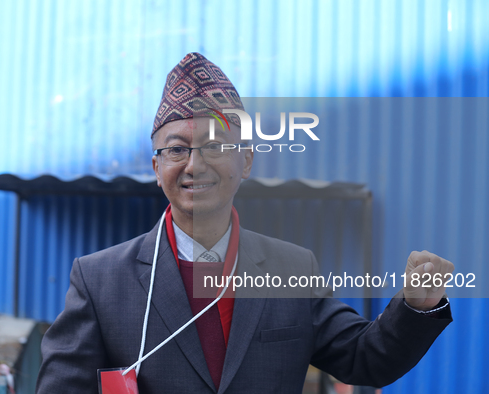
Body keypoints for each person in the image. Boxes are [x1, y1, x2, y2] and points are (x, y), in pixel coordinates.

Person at [36, 53, 454, 394]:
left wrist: (418, 305)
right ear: (156, 167)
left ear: (246, 160)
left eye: (215, 146)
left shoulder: (291, 269)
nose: (194, 165)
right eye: (177, 149)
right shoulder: (100, 279)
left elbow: (366, 359)